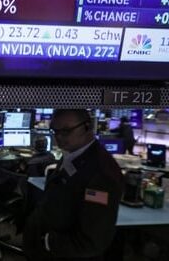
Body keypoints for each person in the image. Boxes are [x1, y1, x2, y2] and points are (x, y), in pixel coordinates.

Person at [23, 109, 123, 261]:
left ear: (87, 126)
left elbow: (92, 241)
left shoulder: (101, 174)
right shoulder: (74, 152)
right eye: (55, 131)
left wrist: (47, 241)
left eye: (66, 131)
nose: (58, 137)